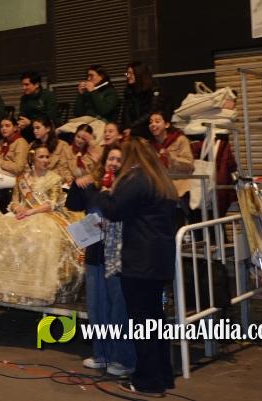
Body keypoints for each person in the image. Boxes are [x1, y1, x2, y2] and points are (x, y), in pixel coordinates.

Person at [89, 138, 178, 397]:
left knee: (142, 323)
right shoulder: (160, 180)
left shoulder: (136, 178)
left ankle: (148, 382)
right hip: (158, 259)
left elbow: (114, 210)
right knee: (155, 322)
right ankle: (161, 376)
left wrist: (102, 191)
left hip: (140, 261)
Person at [0, 144, 84, 306]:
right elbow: (14, 202)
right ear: (33, 159)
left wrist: (30, 212)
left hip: (44, 216)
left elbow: (52, 204)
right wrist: (18, 208)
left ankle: (33, 289)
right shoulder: (22, 179)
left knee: (38, 236)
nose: (45, 160)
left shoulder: (54, 178)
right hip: (21, 214)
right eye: (41, 157)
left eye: (47, 157)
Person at [69, 144, 135, 377]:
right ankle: (102, 354)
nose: (113, 163)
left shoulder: (126, 188)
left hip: (116, 255)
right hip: (95, 252)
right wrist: (78, 184)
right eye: (110, 158)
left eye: (118, 160)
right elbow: (74, 204)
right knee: (96, 307)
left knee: (119, 308)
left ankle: (124, 359)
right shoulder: (95, 185)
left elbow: (114, 211)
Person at [120, 61, 159, 140]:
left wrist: (132, 127)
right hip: (131, 128)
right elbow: (124, 111)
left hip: (147, 129)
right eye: (127, 74)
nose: (128, 76)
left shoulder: (153, 90)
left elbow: (150, 113)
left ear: (139, 74)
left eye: (131, 73)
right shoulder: (128, 91)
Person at [16, 71, 58, 142]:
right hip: (30, 127)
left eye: (26, 84)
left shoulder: (48, 95)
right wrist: (21, 123)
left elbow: (50, 116)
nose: (23, 87)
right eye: (22, 85)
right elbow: (22, 114)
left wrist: (31, 123)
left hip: (46, 126)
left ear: (37, 84)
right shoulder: (24, 98)